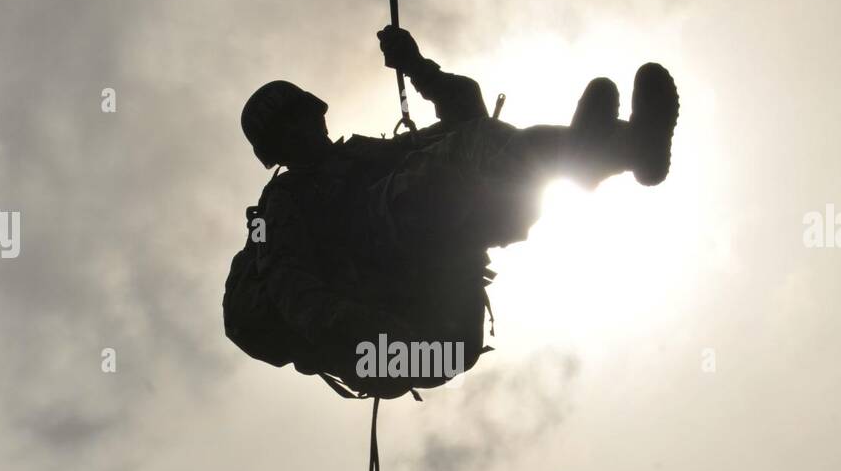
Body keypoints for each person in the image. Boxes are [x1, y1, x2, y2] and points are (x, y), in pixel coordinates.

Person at [224, 26, 679, 396]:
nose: (302, 132)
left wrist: (418, 69)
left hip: (442, 315)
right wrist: (377, 340)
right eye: (287, 131)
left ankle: (627, 147)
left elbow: (465, 114)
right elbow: (291, 289)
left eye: (301, 118)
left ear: (317, 115)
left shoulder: (360, 157)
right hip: (413, 335)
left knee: (488, 154)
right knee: (476, 149)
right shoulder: (277, 207)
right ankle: (595, 155)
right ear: (275, 152)